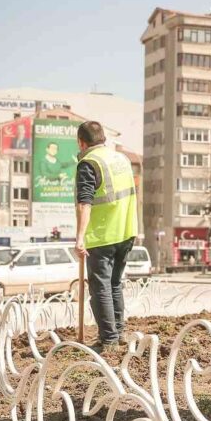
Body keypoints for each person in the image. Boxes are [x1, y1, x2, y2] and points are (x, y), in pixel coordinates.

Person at [74, 121, 137, 354]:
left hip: (103, 235)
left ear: (81, 142)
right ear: (103, 138)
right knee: (115, 284)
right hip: (126, 230)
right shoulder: (122, 159)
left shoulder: (88, 163)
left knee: (100, 288)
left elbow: (85, 202)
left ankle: (109, 341)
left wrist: (80, 237)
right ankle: (118, 334)